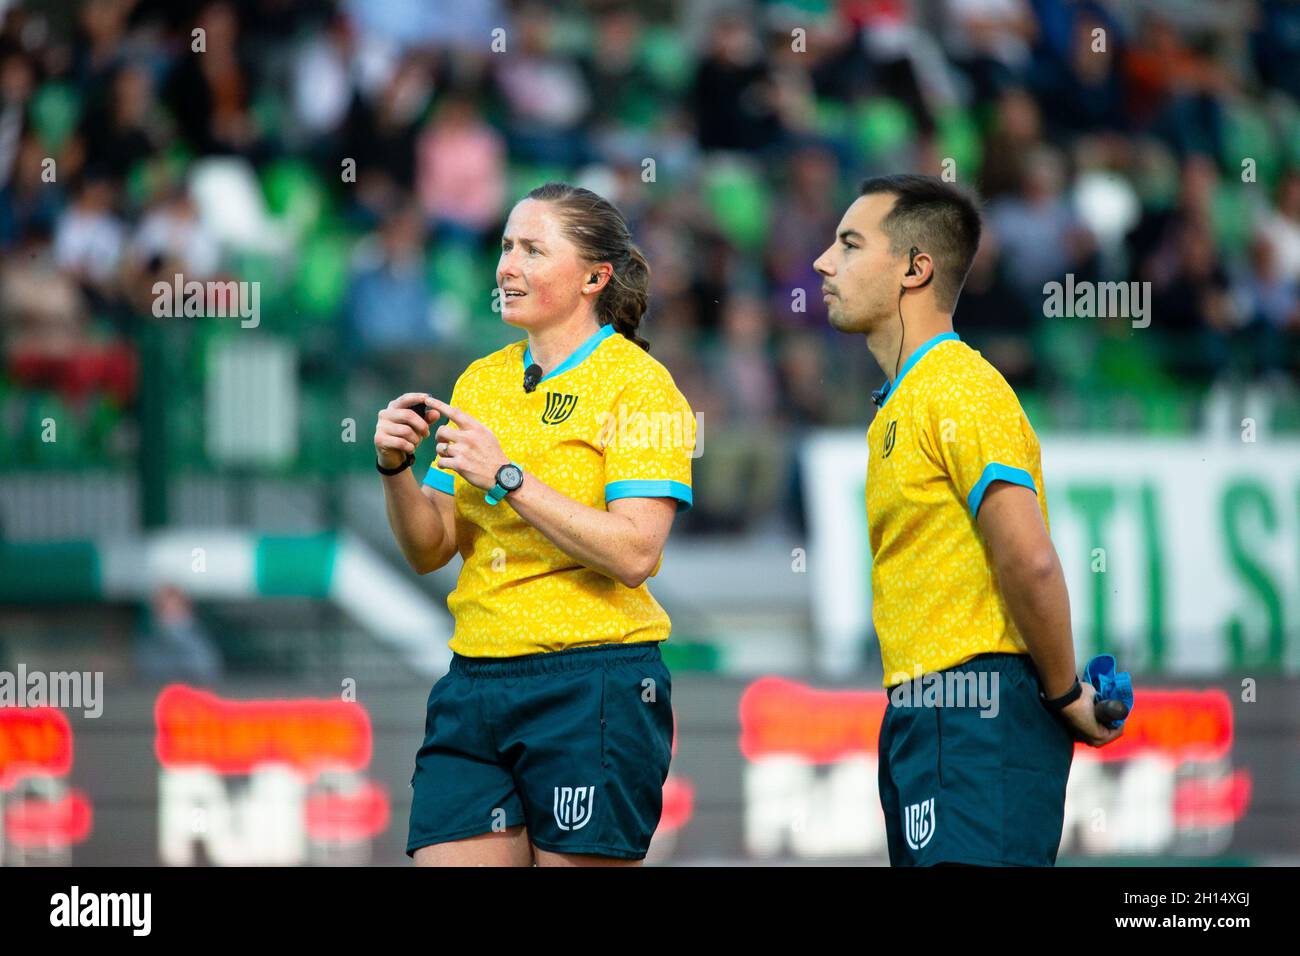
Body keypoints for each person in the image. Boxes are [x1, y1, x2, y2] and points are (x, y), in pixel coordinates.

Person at [375, 182, 694, 866]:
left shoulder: (641, 386)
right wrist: (395, 468)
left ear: (593, 277)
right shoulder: (479, 383)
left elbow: (636, 551)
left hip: (594, 683)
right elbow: (432, 547)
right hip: (474, 682)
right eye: (505, 246)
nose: (506, 266)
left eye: (531, 249)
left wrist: (509, 479)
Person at [813, 173, 1122, 866]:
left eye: (849, 244)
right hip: (926, 712)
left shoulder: (958, 386)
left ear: (916, 269)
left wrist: (1066, 689)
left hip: (976, 712)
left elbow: (1030, 557)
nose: (822, 263)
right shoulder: (905, 399)